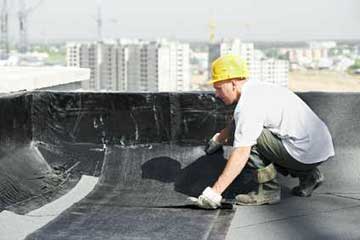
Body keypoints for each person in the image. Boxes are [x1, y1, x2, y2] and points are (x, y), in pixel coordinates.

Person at [189, 54, 335, 209]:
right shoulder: (257, 87)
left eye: (218, 88)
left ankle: (268, 190)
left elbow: (241, 152)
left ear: (233, 83)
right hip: (318, 148)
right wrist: (219, 139)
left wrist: (214, 193)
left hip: (303, 153)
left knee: (250, 138)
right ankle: (310, 175)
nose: (217, 94)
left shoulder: (248, 105)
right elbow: (238, 121)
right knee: (249, 130)